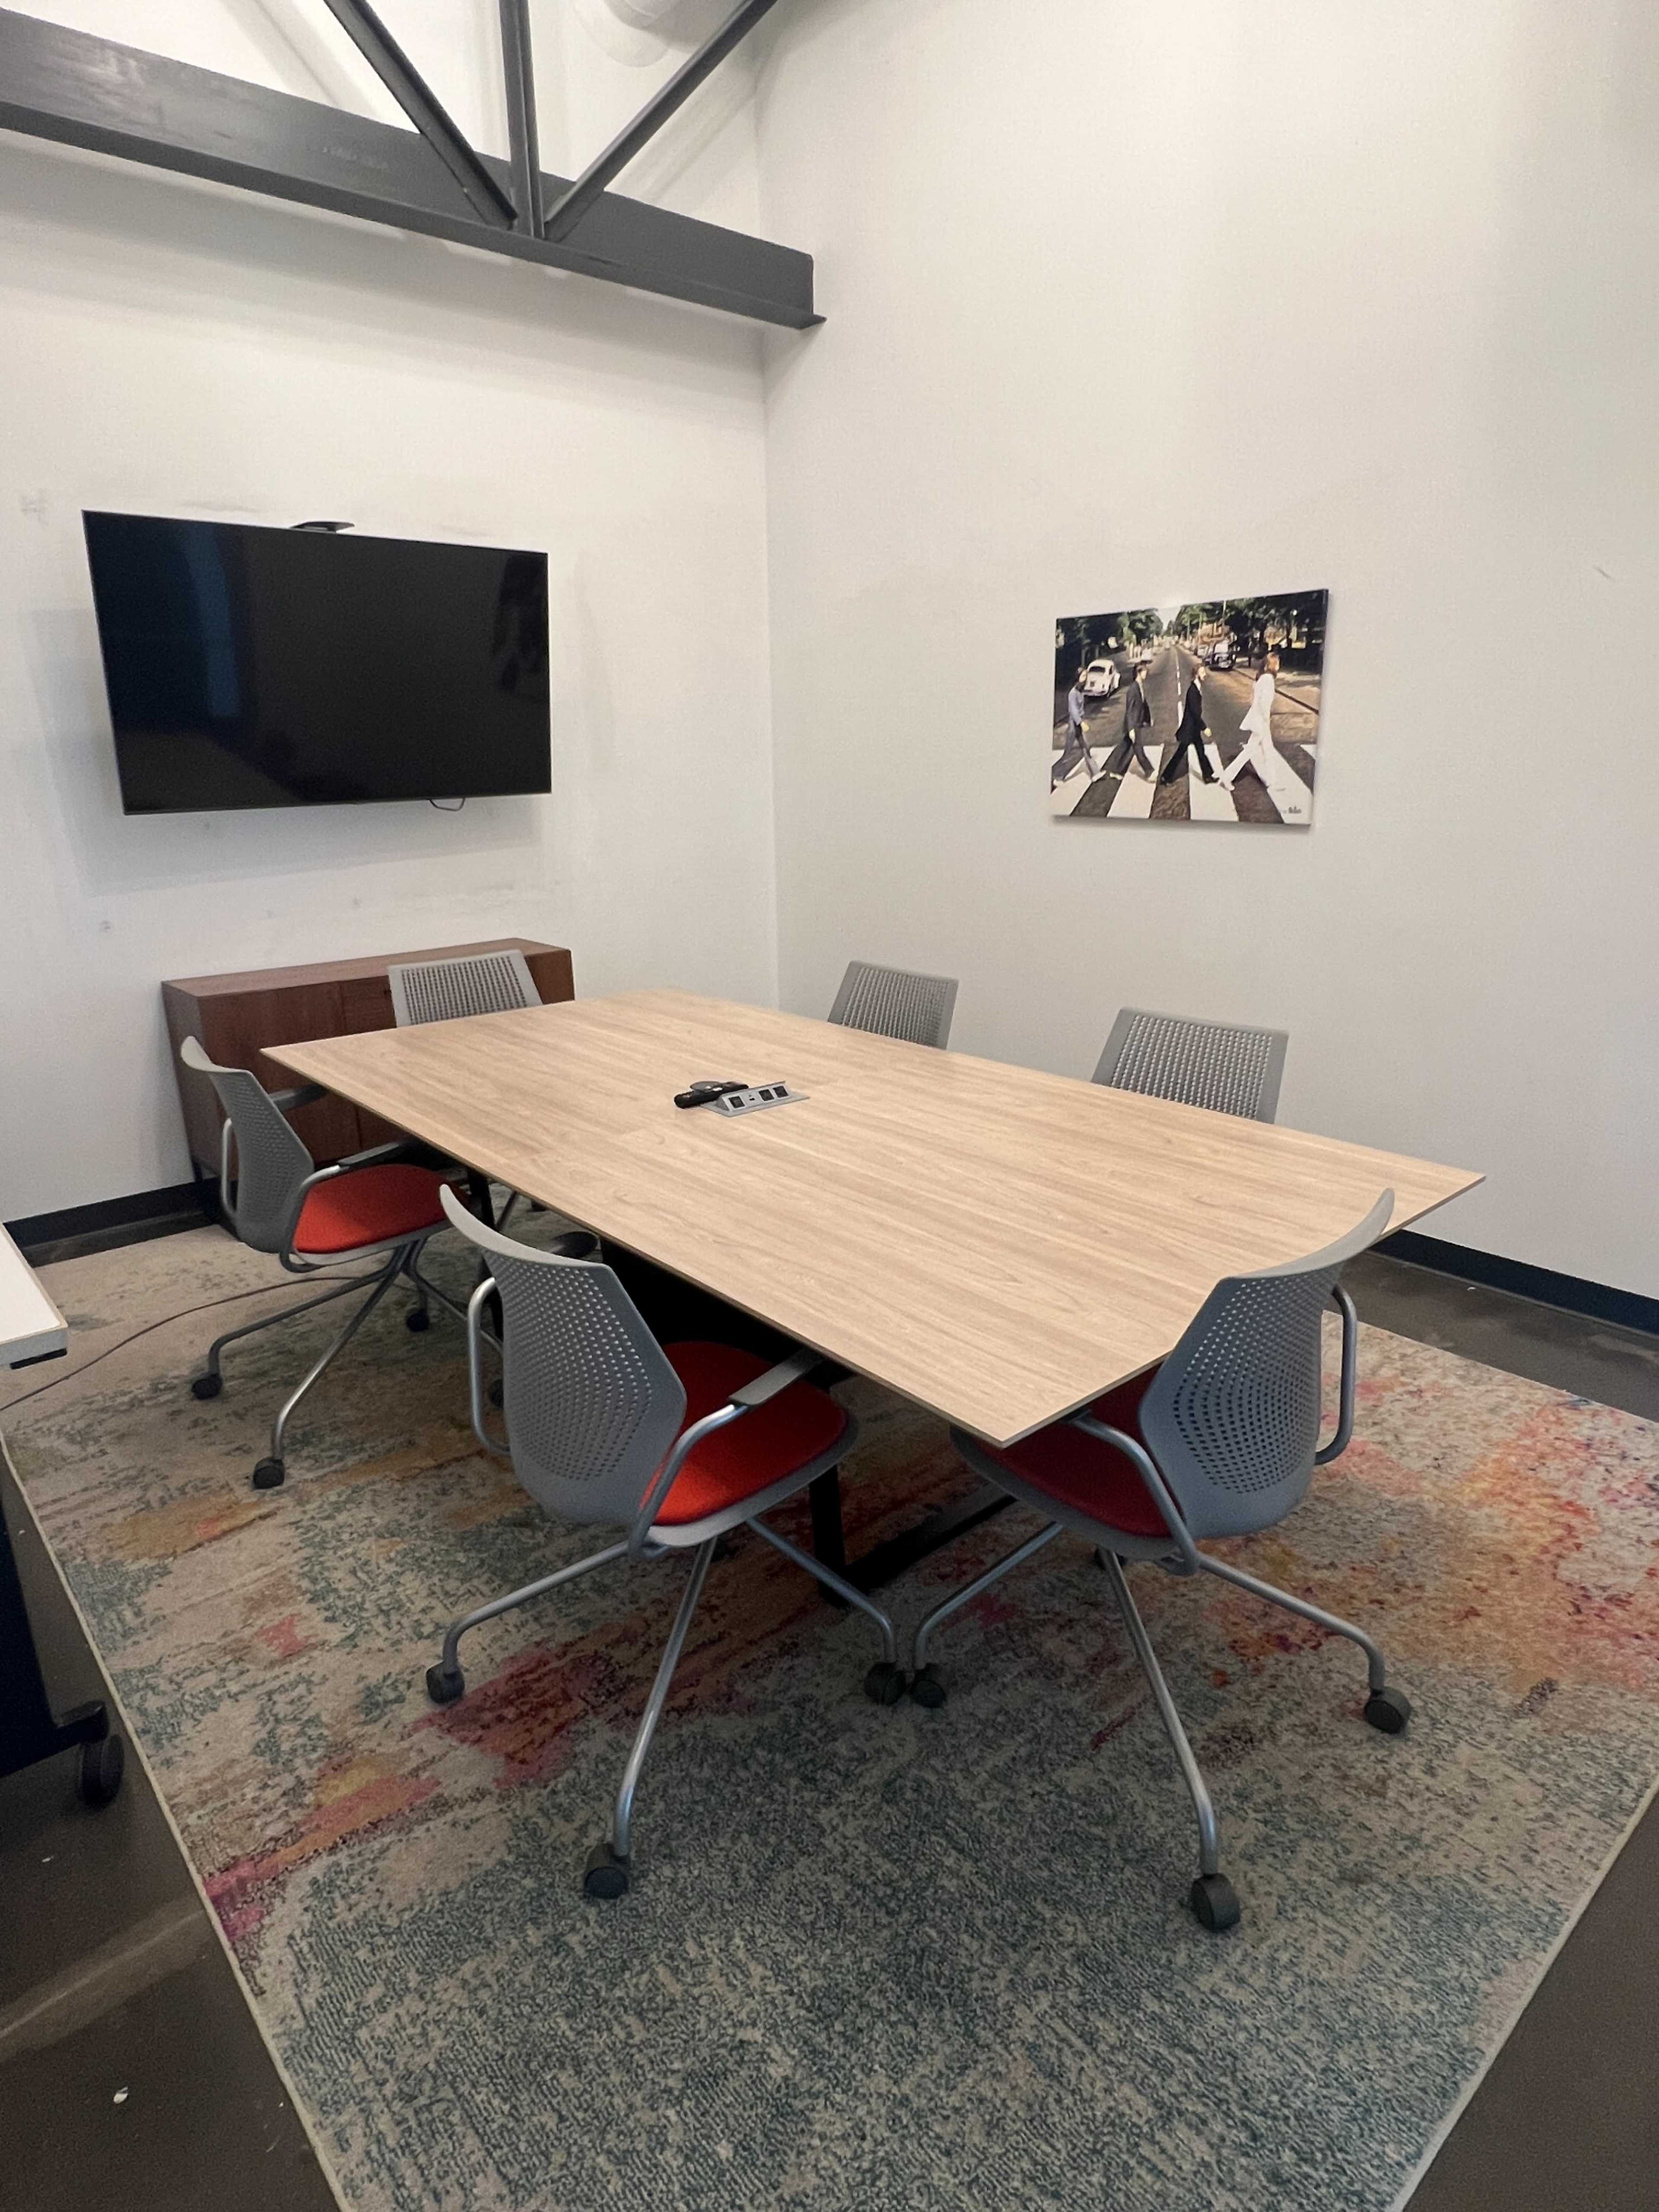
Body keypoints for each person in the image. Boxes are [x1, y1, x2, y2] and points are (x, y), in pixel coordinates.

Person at [1220, 651, 1280, 792]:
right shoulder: (1269, 680)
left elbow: (1252, 700)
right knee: (1249, 752)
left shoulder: (1260, 679)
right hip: (1262, 722)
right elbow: (1264, 704)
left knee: (1268, 750)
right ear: (1273, 664)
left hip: (1258, 720)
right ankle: (1227, 777)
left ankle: (1270, 780)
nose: (1279, 665)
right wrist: (1267, 721)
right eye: (1278, 663)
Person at [1160, 660, 1218, 785]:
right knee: (1180, 754)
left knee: (1201, 751)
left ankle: (1208, 776)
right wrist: (1205, 728)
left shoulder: (1197, 688)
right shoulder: (1193, 690)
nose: (1205, 675)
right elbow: (1195, 713)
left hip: (1194, 729)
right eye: (1202, 672)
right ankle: (1166, 777)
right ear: (1197, 674)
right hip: (1189, 729)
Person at [1112, 659, 1157, 779]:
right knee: (1138, 747)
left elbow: (1144, 704)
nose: (1146, 674)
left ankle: (1117, 771)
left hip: (1138, 722)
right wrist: (1131, 728)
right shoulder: (1133, 689)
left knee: (1127, 745)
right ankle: (1149, 770)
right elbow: (1130, 710)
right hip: (1134, 724)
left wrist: (1148, 719)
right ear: (1139, 673)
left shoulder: (1140, 686)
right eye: (1144, 672)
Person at [1051, 670, 1094, 789]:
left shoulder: (1081, 691)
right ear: (1078, 677)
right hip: (1074, 724)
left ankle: (1095, 773)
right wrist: (1081, 723)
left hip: (1079, 722)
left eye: (1086, 676)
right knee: (1068, 752)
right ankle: (1057, 776)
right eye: (1084, 676)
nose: (1086, 678)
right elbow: (1074, 711)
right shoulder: (1073, 693)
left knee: (1086, 747)